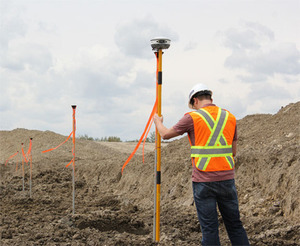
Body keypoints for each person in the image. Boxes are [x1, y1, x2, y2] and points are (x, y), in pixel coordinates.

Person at [153, 83, 249, 246]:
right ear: (211, 98)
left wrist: (158, 121)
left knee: (210, 229)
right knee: (235, 226)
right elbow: (233, 151)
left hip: (203, 181)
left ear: (195, 100)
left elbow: (166, 134)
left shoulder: (192, 118)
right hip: (227, 179)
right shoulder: (230, 117)